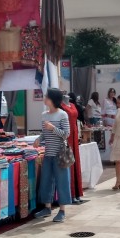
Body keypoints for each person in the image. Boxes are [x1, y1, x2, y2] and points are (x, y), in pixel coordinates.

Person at [33, 88, 72, 222]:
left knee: (62, 182)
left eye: (47, 97)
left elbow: (66, 134)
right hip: (48, 153)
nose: (44, 99)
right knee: (46, 181)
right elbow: (44, 133)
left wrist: (53, 128)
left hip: (60, 153)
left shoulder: (63, 115)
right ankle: (47, 207)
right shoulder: (44, 115)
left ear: (53, 99)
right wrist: (39, 139)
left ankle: (62, 210)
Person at [61, 94, 84, 204]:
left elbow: (76, 120)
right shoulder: (60, 106)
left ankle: (78, 192)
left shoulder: (73, 105)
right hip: (67, 135)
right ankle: (71, 194)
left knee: (75, 162)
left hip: (74, 134)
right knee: (69, 163)